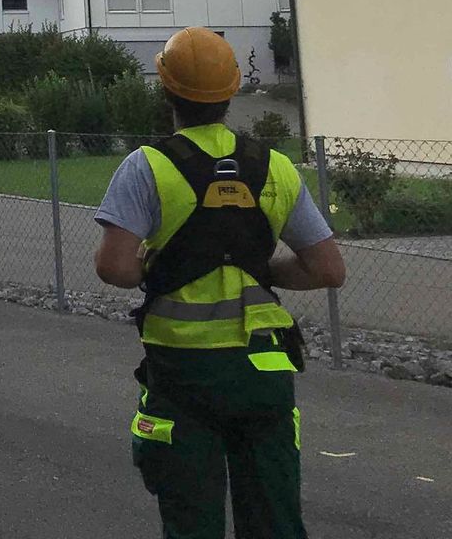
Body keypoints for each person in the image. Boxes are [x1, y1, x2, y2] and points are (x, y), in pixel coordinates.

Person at [94, 28, 346, 539]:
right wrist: (259, 271)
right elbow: (327, 269)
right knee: (274, 520)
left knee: (192, 522)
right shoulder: (274, 167)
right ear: (232, 92)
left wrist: (159, 267)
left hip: (183, 372)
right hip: (263, 368)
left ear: (166, 90)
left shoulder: (147, 167)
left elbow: (115, 268)